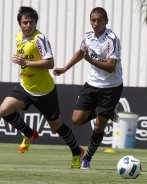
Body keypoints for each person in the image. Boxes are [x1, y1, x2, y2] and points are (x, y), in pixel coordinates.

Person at [0, 6, 83, 169]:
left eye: (31, 22)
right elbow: (26, 59)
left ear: (35, 23)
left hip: (44, 91)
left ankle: (76, 151)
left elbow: (50, 63)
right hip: (25, 86)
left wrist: (26, 63)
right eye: (25, 22)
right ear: (20, 24)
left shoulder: (40, 38)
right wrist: (23, 69)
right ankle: (30, 133)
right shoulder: (18, 37)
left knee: (56, 126)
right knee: (4, 110)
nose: (28, 25)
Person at [53, 7, 123, 170]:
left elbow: (111, 66)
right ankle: (106, 112)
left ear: (106, 21)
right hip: (92, 84)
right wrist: (65, 68)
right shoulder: (88, 36)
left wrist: (90, 61)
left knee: (99, 125)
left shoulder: (112, 39)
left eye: (99, 20)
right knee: (76, 120)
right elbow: (81, 52)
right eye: (93, 20)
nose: (95, 23)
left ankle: (88, 158)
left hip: (111, 87)